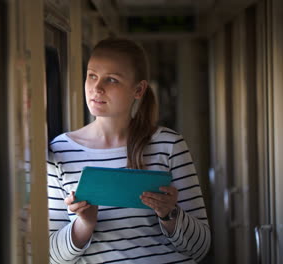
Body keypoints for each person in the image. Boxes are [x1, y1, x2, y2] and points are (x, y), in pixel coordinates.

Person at [47, 38, 210, 264]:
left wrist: (169, 214)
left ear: (139, 89)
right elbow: (51, 256)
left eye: (111, 79)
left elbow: (200, 247)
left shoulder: (169, 145)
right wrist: (84, 224)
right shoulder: (60, 150)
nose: (97, 88)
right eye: (92, 75)